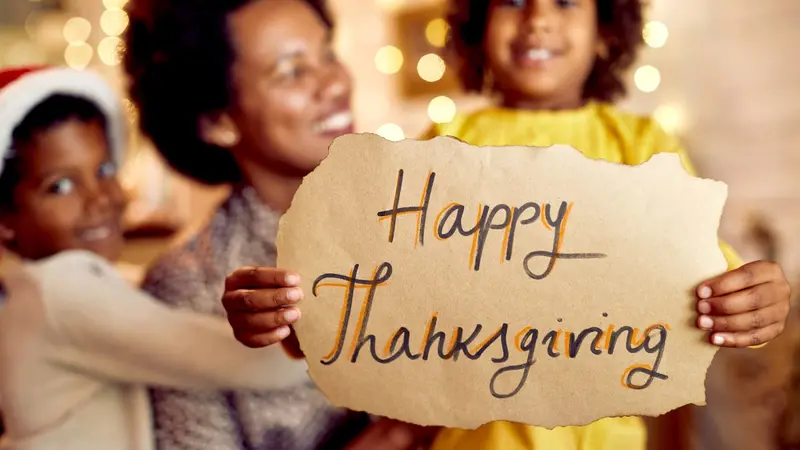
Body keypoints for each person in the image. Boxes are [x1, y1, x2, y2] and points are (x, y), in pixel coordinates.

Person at [219, 0, 792, 449]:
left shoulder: (644, 147)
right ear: (476, 23)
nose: (538, 19)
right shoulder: (444, 151)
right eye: (512, 0)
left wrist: (752, 299)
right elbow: (378, 297)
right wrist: (293, 319)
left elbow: (704, 278)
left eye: (567, 1)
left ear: (605, 31)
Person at [123, 0, 435, 448]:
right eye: (291, 72)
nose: (333, 83)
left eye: (327, 53)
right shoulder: (188, 287)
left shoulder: (425, 211)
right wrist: (400, 431)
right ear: (218, 121)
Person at [0, 66, 313, 450]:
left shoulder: (30, 296)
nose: (101, 198)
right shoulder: (59, 292)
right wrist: (350, 330)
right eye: (60, 186)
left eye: (105, 169)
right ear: (4, 221)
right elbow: (251, 364)